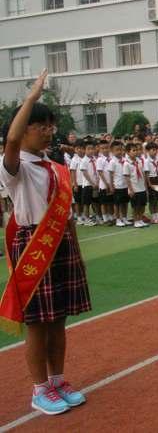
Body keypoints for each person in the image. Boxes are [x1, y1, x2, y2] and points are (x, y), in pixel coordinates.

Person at [0, 69, 91, 415]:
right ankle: (39, 390)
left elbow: (66, 216)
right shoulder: (14, 166)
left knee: (58, 319)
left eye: (51, 126)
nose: (49, 131)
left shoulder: (55, 167)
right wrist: (32, 98)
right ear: (25, 131)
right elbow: (10, 141)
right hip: (34, 244)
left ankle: (58, 380)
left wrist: (78, 254)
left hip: (61, 244)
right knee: (38, 323)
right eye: (42, 126)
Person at [124, 143, 148, 228]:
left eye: (136, 150)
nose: (135, 152)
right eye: (133, 150)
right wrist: (130, 189)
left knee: (142, 205)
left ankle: (140, 219)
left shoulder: (139, 161)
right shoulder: (127, 164)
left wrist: (145, 186)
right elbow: (127, 178)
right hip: (134, 188)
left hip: (142, 187)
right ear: (127, 152)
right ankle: (136, 221)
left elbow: (143, 174)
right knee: (135, 206)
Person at [143, 142, 158, 224]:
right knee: (152, 200)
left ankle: (157, 217)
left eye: (156, 150)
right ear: (148, 151)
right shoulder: (146, 161)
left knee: (157, 200)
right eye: (153, 150)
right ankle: (153, 217)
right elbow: (146, 174)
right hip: (151, 180)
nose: (155, 151)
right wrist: (149, 184)